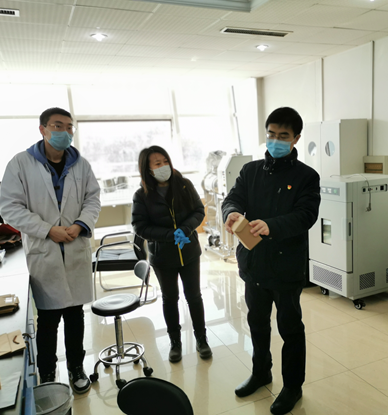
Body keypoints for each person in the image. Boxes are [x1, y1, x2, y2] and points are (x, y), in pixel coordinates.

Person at [222, 107, 320, 415]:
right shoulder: (251, 171)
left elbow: (306, 215)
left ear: (296, 138)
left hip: (286, 266)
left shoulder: (306, 176)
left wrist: (271, 226)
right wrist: (231, 212)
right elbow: (233, 198)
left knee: (290, 328)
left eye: (283, 136)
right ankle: (261, 372)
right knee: (256, 322)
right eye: (271, 134)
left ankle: (292, 386)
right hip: (253, 262)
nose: (276, 141)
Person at [0, 107, 101, 394]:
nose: (65, 132)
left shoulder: (81, 164)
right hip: (45, 250)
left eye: (69, 127)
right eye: (58, 126)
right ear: (43, 129)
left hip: (75, 246)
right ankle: (47, 373)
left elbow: (93, 198)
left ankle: (76, 368)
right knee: (48, 320)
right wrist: (47, 229)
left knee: (75, 316)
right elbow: (9, 206)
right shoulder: (20, 163)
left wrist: (80, 224)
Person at [131, 145, 211, 363]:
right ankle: (175, 342)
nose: (163, 166)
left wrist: (185, 230)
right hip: (162, 256)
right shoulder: (141, 195)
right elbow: (139, 227)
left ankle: (201, 339)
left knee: (194, 296)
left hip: (189, 251)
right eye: (157, 163)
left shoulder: (184, 185)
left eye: (165, 161)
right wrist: (169, 235)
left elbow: (199, 211)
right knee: (170, 298)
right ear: (148, 169)